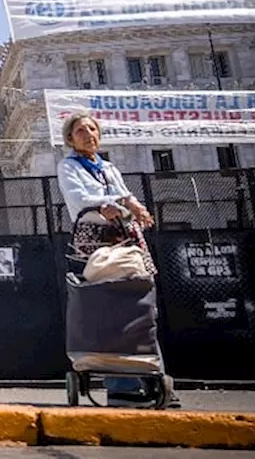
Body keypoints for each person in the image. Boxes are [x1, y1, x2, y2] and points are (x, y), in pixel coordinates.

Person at [56, 112, 178, 408]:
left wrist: (135, 205)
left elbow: (124, 195)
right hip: (96, 240)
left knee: (141, 302)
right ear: (70, 139)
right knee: (110, 305)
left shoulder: (108, 167)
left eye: (92, 128)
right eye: (80, 130)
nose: (88, 134)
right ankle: (121, 385)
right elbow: (78, 198)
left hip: (126, 236)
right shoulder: (69, 166)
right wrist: (106, 204)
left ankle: (152, 376)